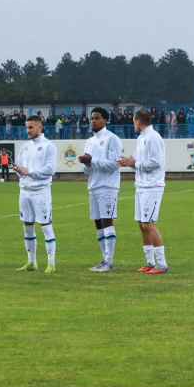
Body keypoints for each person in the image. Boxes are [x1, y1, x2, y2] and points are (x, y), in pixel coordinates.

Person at [117, 109, 168, 274]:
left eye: (134, 121)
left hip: (152, 186)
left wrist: (134, 163)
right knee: (141, 224)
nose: (134, 124)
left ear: (138, 121)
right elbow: (140, 161)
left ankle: (162, 263)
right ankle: (149, 261)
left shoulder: (153, 137)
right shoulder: (141, 138)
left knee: (148, 224)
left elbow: (156, 162)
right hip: (141, 185)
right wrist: (129, 161)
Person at [79, 107, 123, 272]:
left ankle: (109, 262)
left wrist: (93, 160)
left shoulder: (112, 139)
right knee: (98, 223)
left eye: (97, 118)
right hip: (94, 186)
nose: (93, 121)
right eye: (92, 118)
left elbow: (113, 164)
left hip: (108, 186)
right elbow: (87, 170)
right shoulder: (89, 141)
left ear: (105, 120)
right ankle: (104, 260)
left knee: (107, 221)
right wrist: (87, 163)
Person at [14, 115, 58, 273]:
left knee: (46, 226)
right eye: (26, 127)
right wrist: (19, 170)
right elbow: (20, 167)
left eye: (31, 127)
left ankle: (51, 263)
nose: (28, 130)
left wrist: (29, 171)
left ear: (40, 127)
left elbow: (50, 170)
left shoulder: (49, 146)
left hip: (40, 192)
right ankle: (31, 262)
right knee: (27, 227)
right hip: (24, 191)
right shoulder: (24, 146)